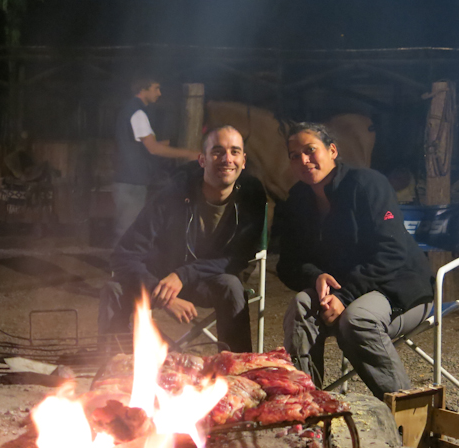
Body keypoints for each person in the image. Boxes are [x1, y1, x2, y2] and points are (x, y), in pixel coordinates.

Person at [276, 122, 434, 400]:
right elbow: (288, 263)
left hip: (399, 286)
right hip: (346, 289)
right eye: (294, 155)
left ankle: (409, 416)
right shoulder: (297, 201)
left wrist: (345, 296)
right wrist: (315, 276)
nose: (303, 160)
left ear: (332, 150)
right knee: (302, 305)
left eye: (311, 150)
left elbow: (393, 252)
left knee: (356, 319)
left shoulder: (367, 184)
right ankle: (307, 406)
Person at [99, 126, 266, 352]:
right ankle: (112, 372)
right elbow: (123, 256)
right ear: (202, 159)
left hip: (210, 280)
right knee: (114, 289)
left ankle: (236, 370)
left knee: (232, 286)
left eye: (234, 152)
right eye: (217, 151)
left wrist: (183, 274)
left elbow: (237, 257)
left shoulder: (252, 195)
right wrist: (161, 293)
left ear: (243, 160)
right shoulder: (173, 193)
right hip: (163, 278)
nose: (227, 159)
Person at [113, 74, 200, 243]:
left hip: (128, 178)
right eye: (155, 88)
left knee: (128, 228)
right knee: (128, 230)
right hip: (131, 180)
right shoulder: (138, 114)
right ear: (142, 90)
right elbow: (153, 149)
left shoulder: (131, 110)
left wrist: (169, 143)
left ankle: (123, 267)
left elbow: (141, 144)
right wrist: (190, 153)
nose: (159, 93)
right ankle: (121, 268)